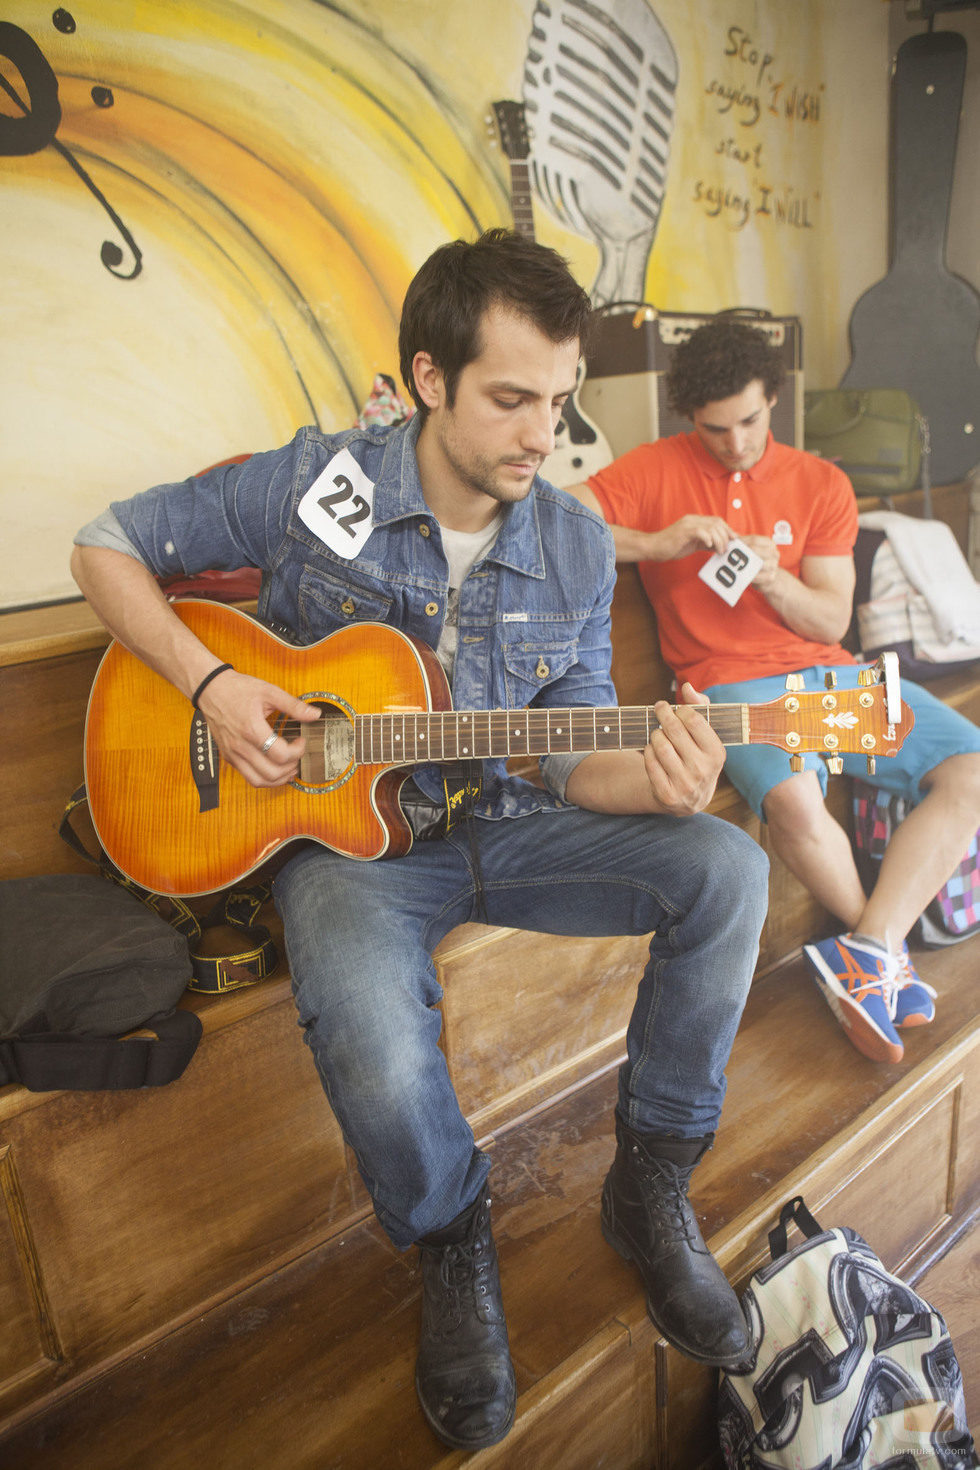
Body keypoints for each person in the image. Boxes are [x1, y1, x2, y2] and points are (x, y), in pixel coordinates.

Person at [71, 231, 768, 1452]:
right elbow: (105, 544)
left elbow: (565, 743)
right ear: (429, 376)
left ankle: (648, 1187)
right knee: (369, 1023)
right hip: (349, 850)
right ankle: (451, 1237)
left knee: (729, 866)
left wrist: (659, 783)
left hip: (507, 820)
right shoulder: (312, 483)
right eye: (509, 398)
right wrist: (209, 687)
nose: (538, 434)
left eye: (557, 401)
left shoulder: (573, 539)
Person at [567, 317, 980, 1070]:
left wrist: (771, 576)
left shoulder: (821, 481)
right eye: (715, 428)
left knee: (973, 772)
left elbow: (830, 617)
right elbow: (548, 517)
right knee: (791, 798)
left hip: (834, 671)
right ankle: (881, 955)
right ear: (690, 416)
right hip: (728, 686)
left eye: (750, 422)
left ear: (773, 400)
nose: (735, 442)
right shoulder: (653, 469)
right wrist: (656, 544)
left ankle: (872, 949)